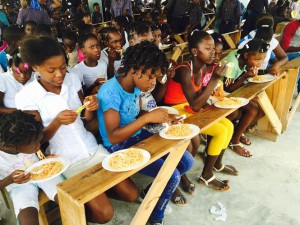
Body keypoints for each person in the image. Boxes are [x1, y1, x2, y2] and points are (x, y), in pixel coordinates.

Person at [15, 35, 139, 224]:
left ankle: (94, 197)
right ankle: (76, 210)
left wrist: (90, 105)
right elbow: (36, 143)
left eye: (63, 67)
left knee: (131, 194)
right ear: (35, 68)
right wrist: (57, 122)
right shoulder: (27, 97)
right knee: (105, 214)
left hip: (91, 148)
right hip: (66, 161)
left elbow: (85, 119)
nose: (59, 75)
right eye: (51, 70)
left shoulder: (71, 79)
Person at [97, 41, 194, 225]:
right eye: (151, 77)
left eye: (156, 78)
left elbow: (135, 114)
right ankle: (154, 218)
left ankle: (153, 191)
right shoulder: (110, 92)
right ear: (135, 68)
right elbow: (113, 136)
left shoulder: (134, 86)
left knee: (186, 160)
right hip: (117, 146)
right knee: (172, 175)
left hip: (135, 135)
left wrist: (163, 117)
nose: (153, 83)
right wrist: (147, 118)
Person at [164, 30, 237, 190]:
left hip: (186, 108)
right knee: (219, 131)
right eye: (208, 48)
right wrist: (215, 79)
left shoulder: (203, 67)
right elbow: (195, 104)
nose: (213, 52)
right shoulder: (184, 70)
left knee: (228, 126)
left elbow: (199, 98)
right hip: (174, 112)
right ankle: (200, 175)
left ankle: (214, 167)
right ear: (195, 52)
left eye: (213, 48)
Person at [0, 110, 64, 225]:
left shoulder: (26, 135)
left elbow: (38, 150)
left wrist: (45, 158)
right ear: (11, 146)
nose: (38, 146)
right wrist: (10, 179)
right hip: (18, 186)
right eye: (34, 145)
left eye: (39, 142)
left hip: (44, 173)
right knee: (27, 221)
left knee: (66, 198)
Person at [221, 39, 270, 156]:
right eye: (257, 59)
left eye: (262, 59)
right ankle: (234, 141)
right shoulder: (231, 63)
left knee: (262, 110)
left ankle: (237, 132)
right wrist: (245, 76)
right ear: (246, 55)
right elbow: (228, 89)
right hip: (220, 94)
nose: (260, 63)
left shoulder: (243, 56)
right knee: (253, 109)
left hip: (234, 91)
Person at [0, 48, 34, 115]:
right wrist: (18, 112)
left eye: (27, 72)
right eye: (17, 72)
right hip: (11, 120)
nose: (22, 76)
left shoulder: (37, 78)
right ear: (10, 68)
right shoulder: (3, 79)